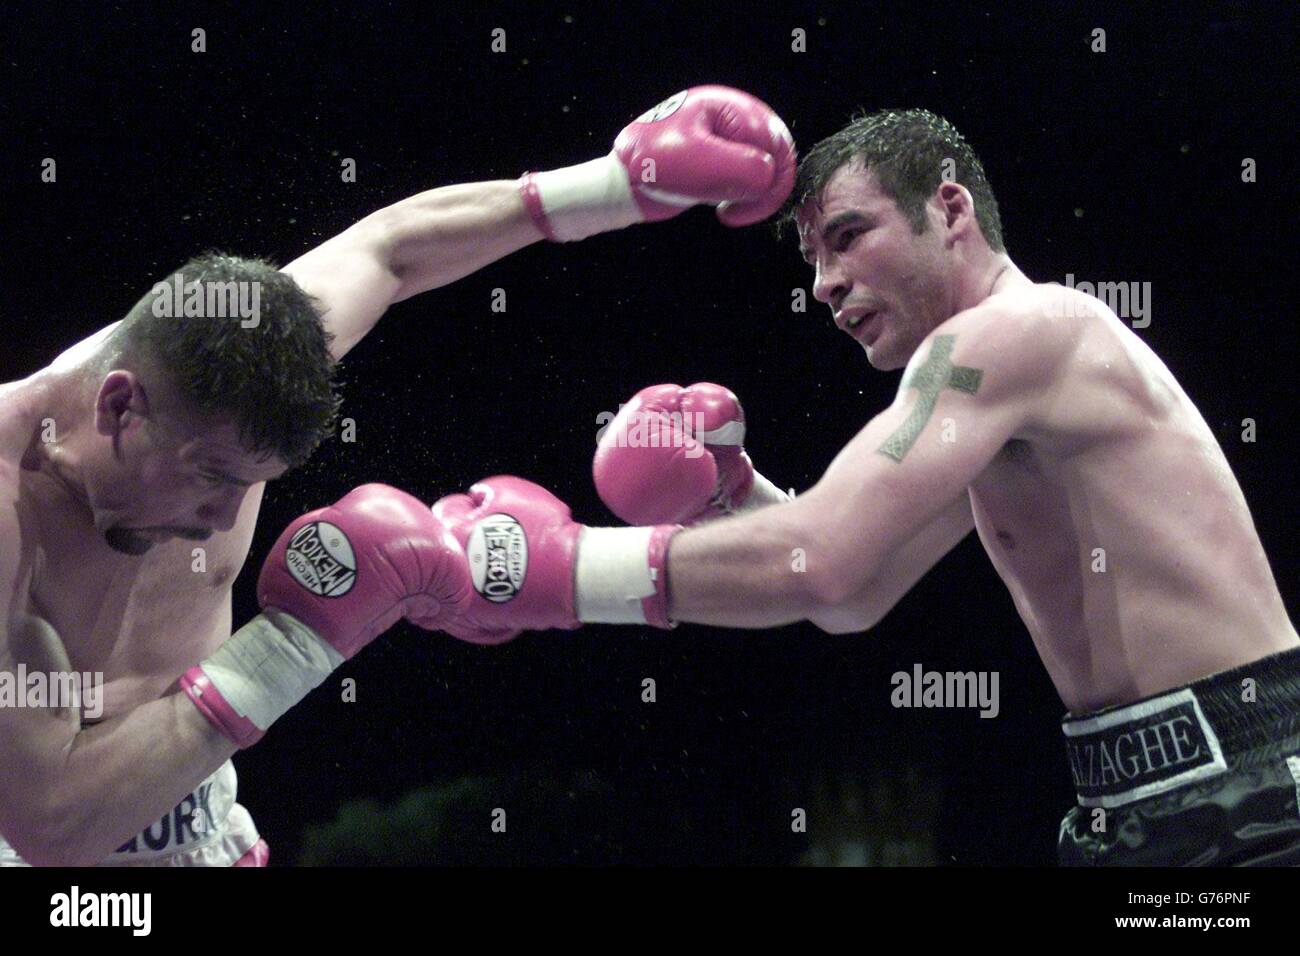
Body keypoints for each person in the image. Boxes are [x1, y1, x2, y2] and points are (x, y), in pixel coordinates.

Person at [418, 109, 1300, 866]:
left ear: (948, 208)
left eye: (848, 236)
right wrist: (736, 495)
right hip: (1158, 798)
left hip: (1253, 790)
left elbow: (823, 561)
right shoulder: (1002, 391)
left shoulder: (1016, 335)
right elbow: (855, 591)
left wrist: (554, 570)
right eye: (813, 259)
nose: (826, 284)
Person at [0, 86, 795, 866]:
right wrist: (297, 642)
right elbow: (52, 829)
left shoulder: (243, 357)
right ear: (118, 407)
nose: (222, 517)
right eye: (211, 475)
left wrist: (613, 185)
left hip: (208, 834)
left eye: (252, 482)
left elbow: (391, 249)